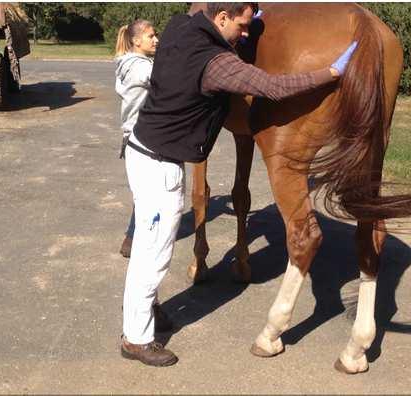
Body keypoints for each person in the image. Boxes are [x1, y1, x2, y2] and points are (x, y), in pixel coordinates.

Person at [121, 2, 358, 367]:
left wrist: (247, 16)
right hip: (159, 165)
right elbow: (272, 86)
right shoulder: (216, 65)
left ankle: (147, 309)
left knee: (150, 244)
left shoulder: (178, 29)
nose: (247, 34)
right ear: (222, 18)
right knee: (154, 251)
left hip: (142, 149)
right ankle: (136, 338)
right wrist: (327, 73)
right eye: (243, 26)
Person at [114, 20, 158, 258]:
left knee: (143, 194)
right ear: (136, 41)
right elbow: (166, 79)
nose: (156, 40)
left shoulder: (127, 64)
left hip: (133, 137)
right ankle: (134, 240)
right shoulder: (140, 68)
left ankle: (133, 237)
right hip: (141, 138)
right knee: (147, 196)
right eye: (151, 36)